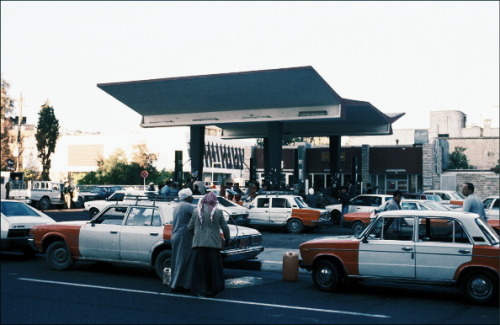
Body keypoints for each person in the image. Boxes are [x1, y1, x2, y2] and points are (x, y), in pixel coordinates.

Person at [187, 191, 230, 297]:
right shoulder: (218, 212)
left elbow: (189, 227)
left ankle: (200, 290)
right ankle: (213, 290)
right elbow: (225, 227)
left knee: (200, 269)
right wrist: (227, 238)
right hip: (213, 244)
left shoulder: (196, 211)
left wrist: (197, 235)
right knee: (213, 269)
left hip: (198, 244)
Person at [170, 188, 195, 293]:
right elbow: (200, 215)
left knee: (177, 260)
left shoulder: (177, 206)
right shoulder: (188, 206)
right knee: (183, 261)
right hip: (184, 236)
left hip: (176, 235)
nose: (193, 197)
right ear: (188, 197)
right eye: (191, 195)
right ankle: (178, 285)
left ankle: (175, 282)